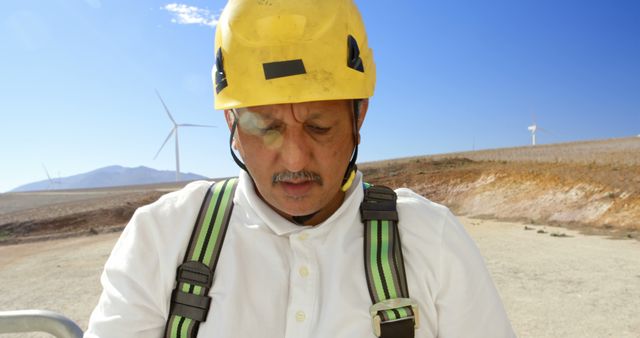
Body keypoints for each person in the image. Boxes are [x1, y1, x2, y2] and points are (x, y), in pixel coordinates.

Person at [86, 0, 515, 337]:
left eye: (319, 127)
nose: (294, 159)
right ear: (231, 126)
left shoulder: (430, 239)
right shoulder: (162, 236)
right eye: (266, 127)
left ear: (358, 116)